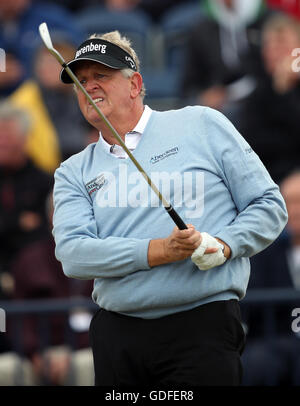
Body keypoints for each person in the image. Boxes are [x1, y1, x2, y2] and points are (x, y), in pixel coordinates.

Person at [52, 30, 288, 386]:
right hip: (118, 336)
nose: (90, 87)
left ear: (135, 85)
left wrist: (224, 245)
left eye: (101, 76)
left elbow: (269, 205)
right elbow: (73, 255)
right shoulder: (72, 171)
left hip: (201, 326)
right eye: (81, 80)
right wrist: (159, 251)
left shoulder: (202, 124)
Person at [241, 170, 300, 385]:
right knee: (255, 363)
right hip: (275, 343)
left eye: (299, 202)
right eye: (289, 203)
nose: (294, 211)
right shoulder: (263, 252)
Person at [227, 12, 300, 185]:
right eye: (270, 46)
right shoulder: (256, 95)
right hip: (270, 182)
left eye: (282, 44)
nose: (275, 53)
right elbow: (252, 148)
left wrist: (286, 92)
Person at [0, 101, 53, 298]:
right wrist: (17, 222)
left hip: (33, 285)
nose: (2, 142)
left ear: (24, 139)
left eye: (7, 136)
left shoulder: (46, 182)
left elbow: (45, 236)